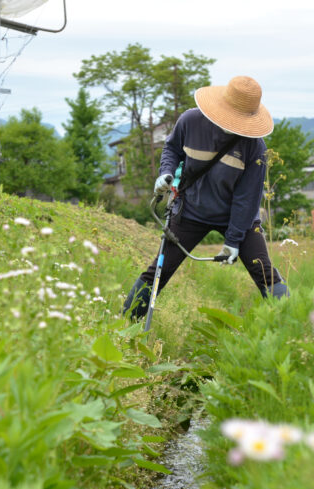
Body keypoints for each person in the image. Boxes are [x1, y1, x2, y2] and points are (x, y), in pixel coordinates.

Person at [122, 75, 289, 321]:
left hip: (236, 216)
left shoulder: (255, 147)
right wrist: (165, 173)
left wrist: (233, 239)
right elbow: (172, 149)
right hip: (191, 211)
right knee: (159, 269)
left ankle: (293, 326)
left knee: (263, 271)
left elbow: (247, 199)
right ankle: (126, 324)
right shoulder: (190, 121)